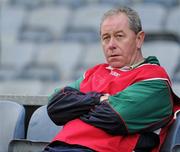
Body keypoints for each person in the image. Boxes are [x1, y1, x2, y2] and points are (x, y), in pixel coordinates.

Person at [43, 6, 180, 152]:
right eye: (106, 38)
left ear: (139, 39)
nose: (111, 45)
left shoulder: (155, 79)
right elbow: (56, 106)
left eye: (119, 36)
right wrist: (99, 100)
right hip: (58, 147)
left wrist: (76, 108)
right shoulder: (95, 72)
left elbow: (113, 117)